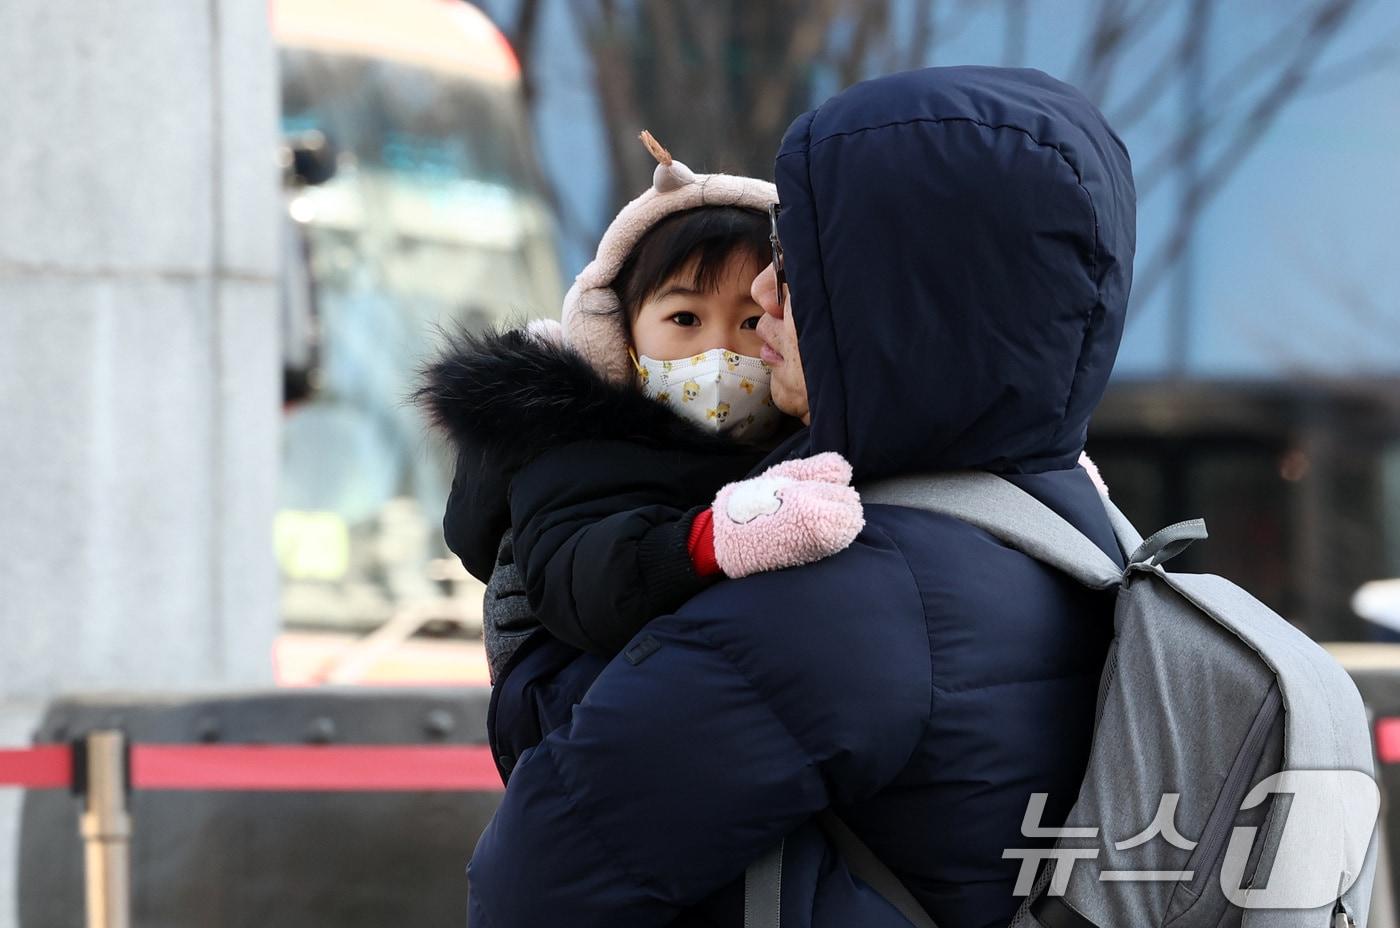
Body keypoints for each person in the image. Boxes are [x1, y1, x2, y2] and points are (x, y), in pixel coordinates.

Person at [462, 65, 1136, 928]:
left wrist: (534, 667)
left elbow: (536, 884)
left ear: (896, 297)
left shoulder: (840, 596)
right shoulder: (1076, 527)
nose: (765, 296)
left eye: (798, 262)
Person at [418, 134, 865, 731]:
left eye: (753, 321)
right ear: (616, 336)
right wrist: (716, 538)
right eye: (684, 318)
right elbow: (587, 581)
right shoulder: (576, 447)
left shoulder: (813, 442)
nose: (718, 351)